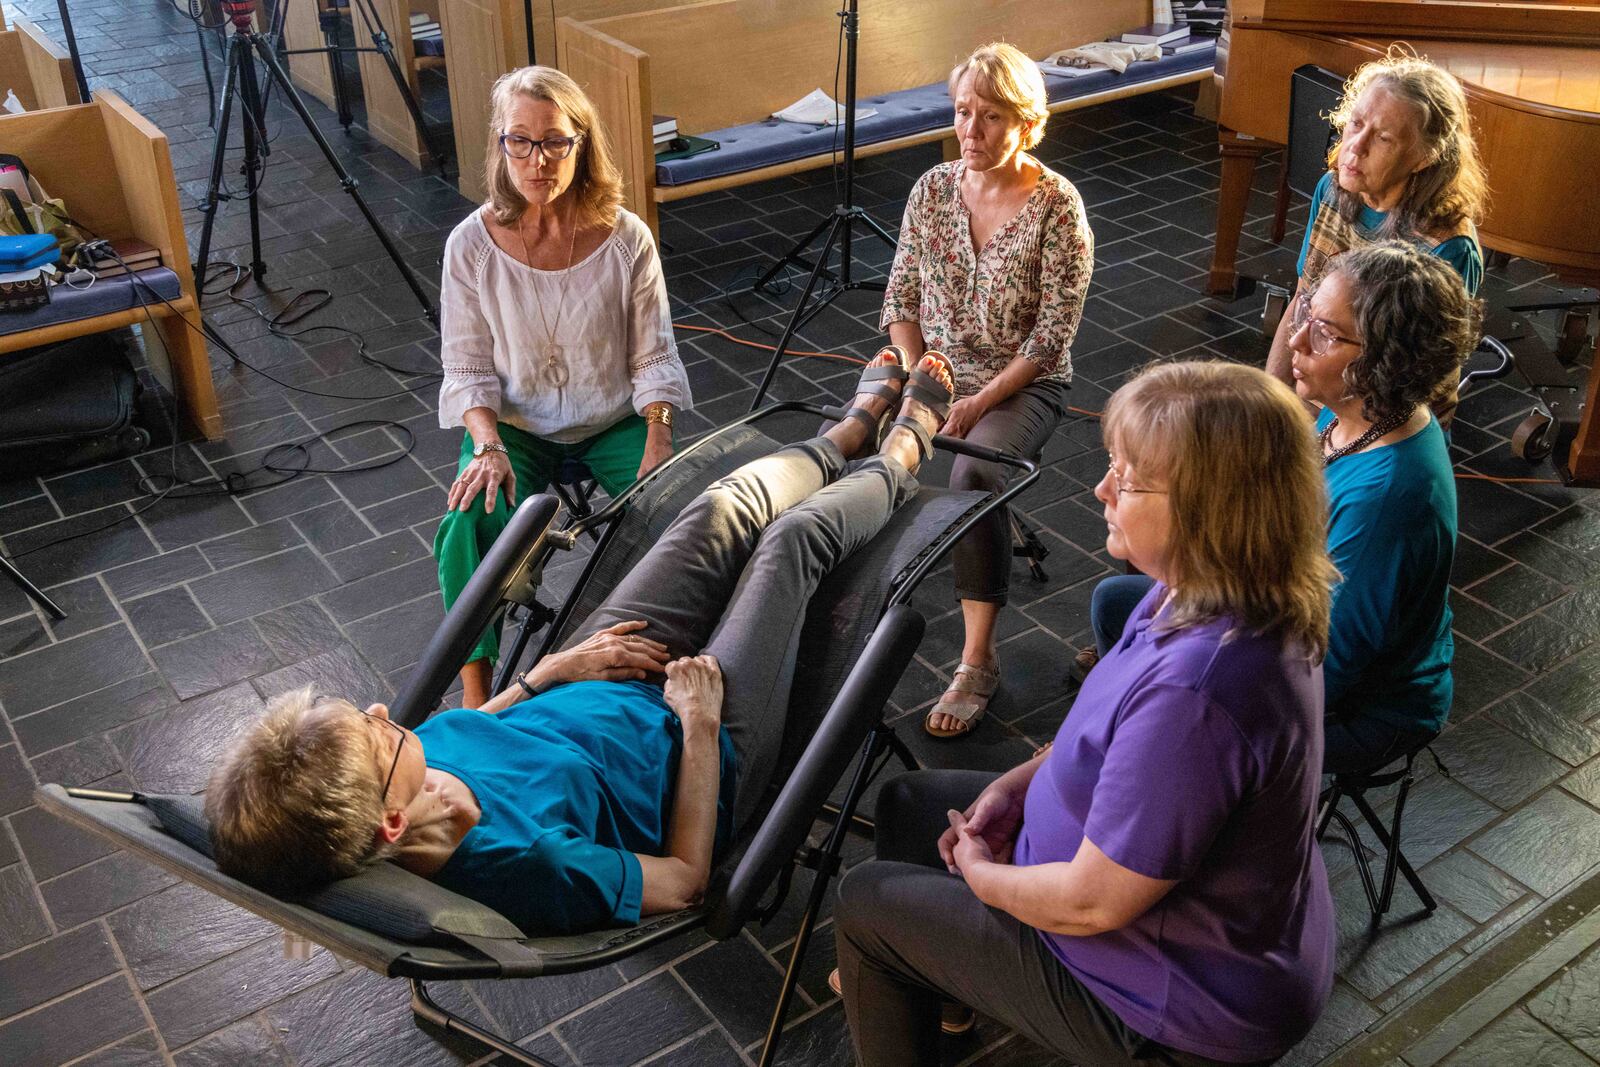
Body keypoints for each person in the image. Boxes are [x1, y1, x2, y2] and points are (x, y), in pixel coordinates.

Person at [205, 353, 956, 936]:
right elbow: (688, 879)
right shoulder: (533, 865)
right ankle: (901, 458)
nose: (380, 707)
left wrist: (554, 668)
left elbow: (480, 725)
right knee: (791, 543)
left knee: (718, 506)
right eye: (379, 732)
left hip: (597, 670)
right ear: (391, 825)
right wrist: (696, 725)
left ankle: (839, 438)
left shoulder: (406, 782)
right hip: (704, 738)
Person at [833, 361, 1338, 1066]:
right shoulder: (1188, 590)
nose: (1101, 488)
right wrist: (1019, 785)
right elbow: (1099, 724)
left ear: (1210, 509)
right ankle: (933, 987)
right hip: (1168, 924)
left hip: (1177, 1003)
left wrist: (985, 880)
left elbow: (1091, 903)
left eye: (1128, 479)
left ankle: (898, 968)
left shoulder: (1201, 690)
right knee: (912, 802)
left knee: (866, 906)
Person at [1093, 242, 1475, 772]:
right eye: (1306, 316)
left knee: (1170, 717)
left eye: (1324, 333)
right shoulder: (1358, 414)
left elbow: (1326, 672)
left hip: (1366, 708)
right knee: (1121, 604)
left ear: (1386, 358)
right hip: (1289, 620)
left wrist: (1195, 683)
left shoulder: (1386, 499)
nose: (1295, 340)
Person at [434, 65, 692, 708]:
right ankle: (476, 695)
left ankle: (652, 665)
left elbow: (653, 353)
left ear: (583, 143)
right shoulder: (470, 246)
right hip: (515, 428)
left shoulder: (627, 238)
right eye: (519, 141)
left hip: (613, 418)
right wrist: (487, 444)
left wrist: (659, 430)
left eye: (554, 141)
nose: (537, 159)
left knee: (682, 509)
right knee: (468, 518)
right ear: (500, 145)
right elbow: (466, 369)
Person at [879, 42, 1094, 738]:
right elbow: (900, 299)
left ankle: (977, 660)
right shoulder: (932, 190)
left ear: (1027, 123)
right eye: (964, 111)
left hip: (1021, 382)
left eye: (992, 116)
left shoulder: (1057, 207)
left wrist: (973, 402)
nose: (971, 129)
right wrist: (921, 374)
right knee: (856, 447)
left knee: (973, 471)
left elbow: (1049, 339)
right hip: (936, 370)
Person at [1263, 48, 1488, 429]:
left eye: (1382, 138)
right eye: (1355, 124)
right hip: (1318, 392)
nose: (1356, 146)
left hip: (1380, 421)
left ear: (1424, 157)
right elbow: (1303, 299)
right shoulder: (1332, 190)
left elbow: (1411, 383)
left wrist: (1318, 425)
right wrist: (1272, 397)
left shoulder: (1447, 246)